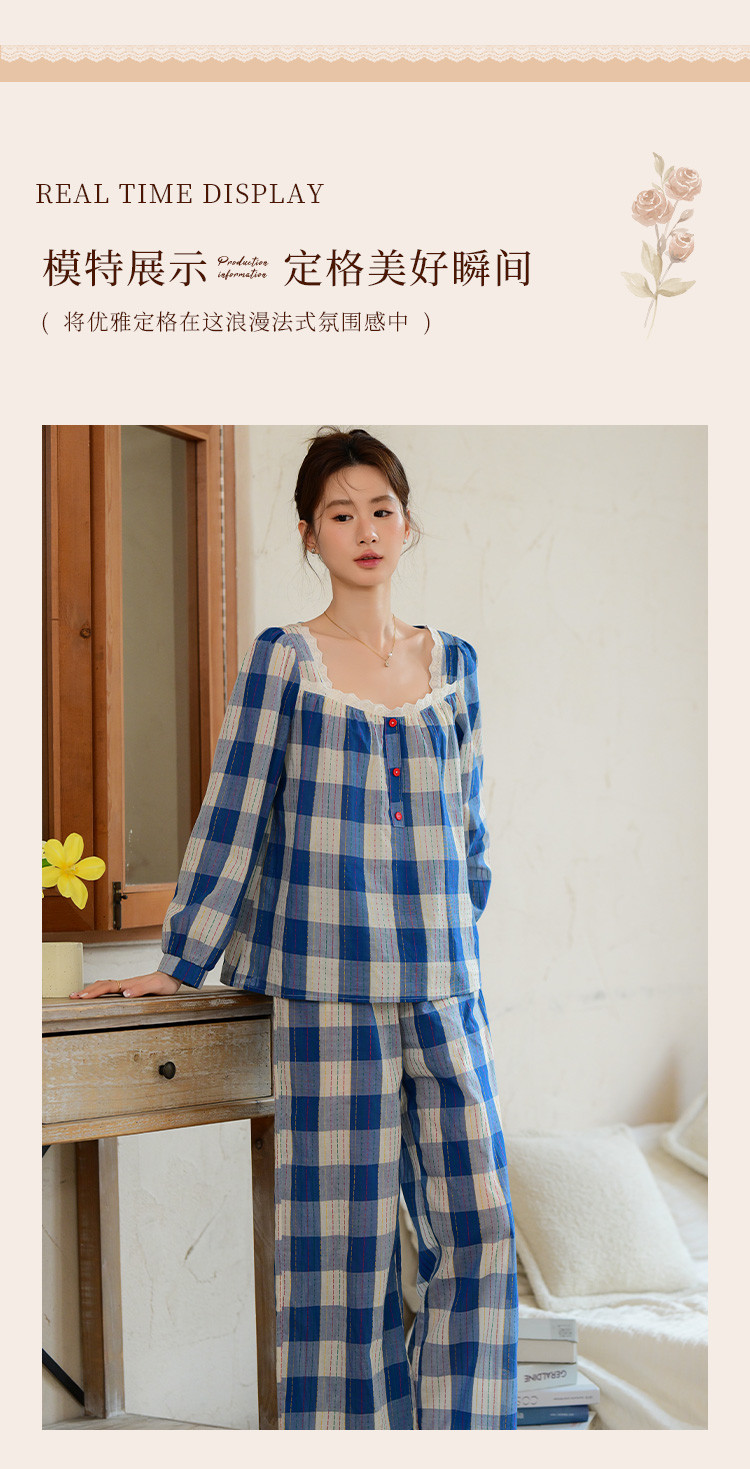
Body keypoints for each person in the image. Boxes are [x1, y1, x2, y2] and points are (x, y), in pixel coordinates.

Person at [72, 427, 519, 1431]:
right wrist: (181, 958)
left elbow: (472, 825)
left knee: (483, 1223)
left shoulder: (454, 663)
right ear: (311, 534)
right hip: (327, 990)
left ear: (408, 524)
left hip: (446, 982)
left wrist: (455, 927)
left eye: (381, 509)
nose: (366, 529)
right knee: (342, 1258)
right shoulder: (287, 660)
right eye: (340, 513)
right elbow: (234, 810)